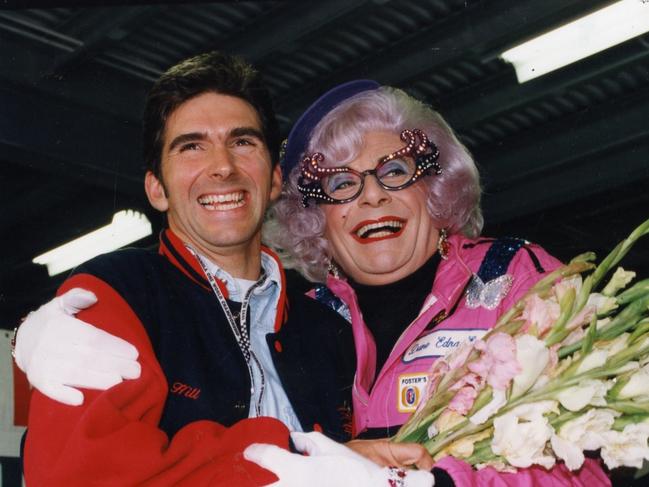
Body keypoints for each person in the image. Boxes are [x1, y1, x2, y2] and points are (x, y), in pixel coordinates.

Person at [15, 53, 434, 487]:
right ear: (156, 189)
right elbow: (78, 475)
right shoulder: (116, 292)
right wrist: (291, 458)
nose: (222, 167)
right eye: (191, 146)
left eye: (242, 142)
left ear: (273, 180)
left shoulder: (328, 326)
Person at [246, 80, 612, 486]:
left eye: (395, 171)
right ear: (317, 219)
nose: (372, 196)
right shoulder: (295, 322)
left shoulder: (516, 277)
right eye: (342, 184)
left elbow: (583, 471)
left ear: (435, 188)